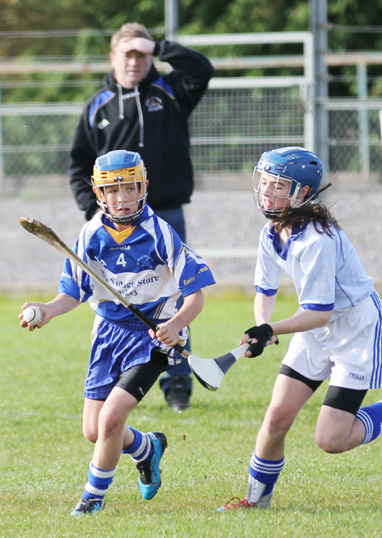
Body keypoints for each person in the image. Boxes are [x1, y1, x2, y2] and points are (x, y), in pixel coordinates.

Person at [217, 146, 382, 511]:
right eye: (264, 183)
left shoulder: (317, 241)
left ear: (302, 193)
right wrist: (261, 326)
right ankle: (256, 502)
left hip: (356, 328)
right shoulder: (272, 231)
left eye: (277, 186)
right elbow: (265, 289)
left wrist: (272, 330)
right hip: (316, 329)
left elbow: (319, 312)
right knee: (277, 416)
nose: (267, 192)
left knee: (331, 439)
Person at [19, 150, 215, 515]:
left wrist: (175, 325)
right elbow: (74, 292)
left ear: (143, 187)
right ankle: (146, 448)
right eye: (112, 191)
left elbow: (196, 294)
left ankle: (92, 499)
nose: (122, 198)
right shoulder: (91, 233)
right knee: (94, 431)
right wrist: (47, 310)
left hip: (153, 336)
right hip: (108, 335)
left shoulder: (160, 233)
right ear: (98, 193)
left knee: (111, 419)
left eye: (129, 188)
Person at [68, 22, 215, 412]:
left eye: (141, 54)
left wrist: (159, 45)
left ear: (150, 56)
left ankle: (177, 381)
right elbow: (78, 163)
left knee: (175, 296)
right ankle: (122, 377)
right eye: (127, 53)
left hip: (164, 213)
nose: (134, 61)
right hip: (112, 223)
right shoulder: (97, 105)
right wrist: (94, 211)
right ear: (113, 57)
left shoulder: (170, 91)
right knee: (121, 299)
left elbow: (202, 69)